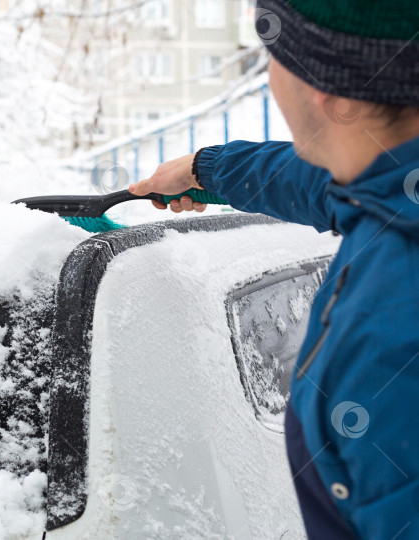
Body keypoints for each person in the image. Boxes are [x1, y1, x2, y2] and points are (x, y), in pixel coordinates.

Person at [129, 1, 419, 538]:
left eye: (275, 57)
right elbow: (331, 185)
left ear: (323, 88)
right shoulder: (393, 192)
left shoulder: (388, 345)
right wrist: (204, 170)